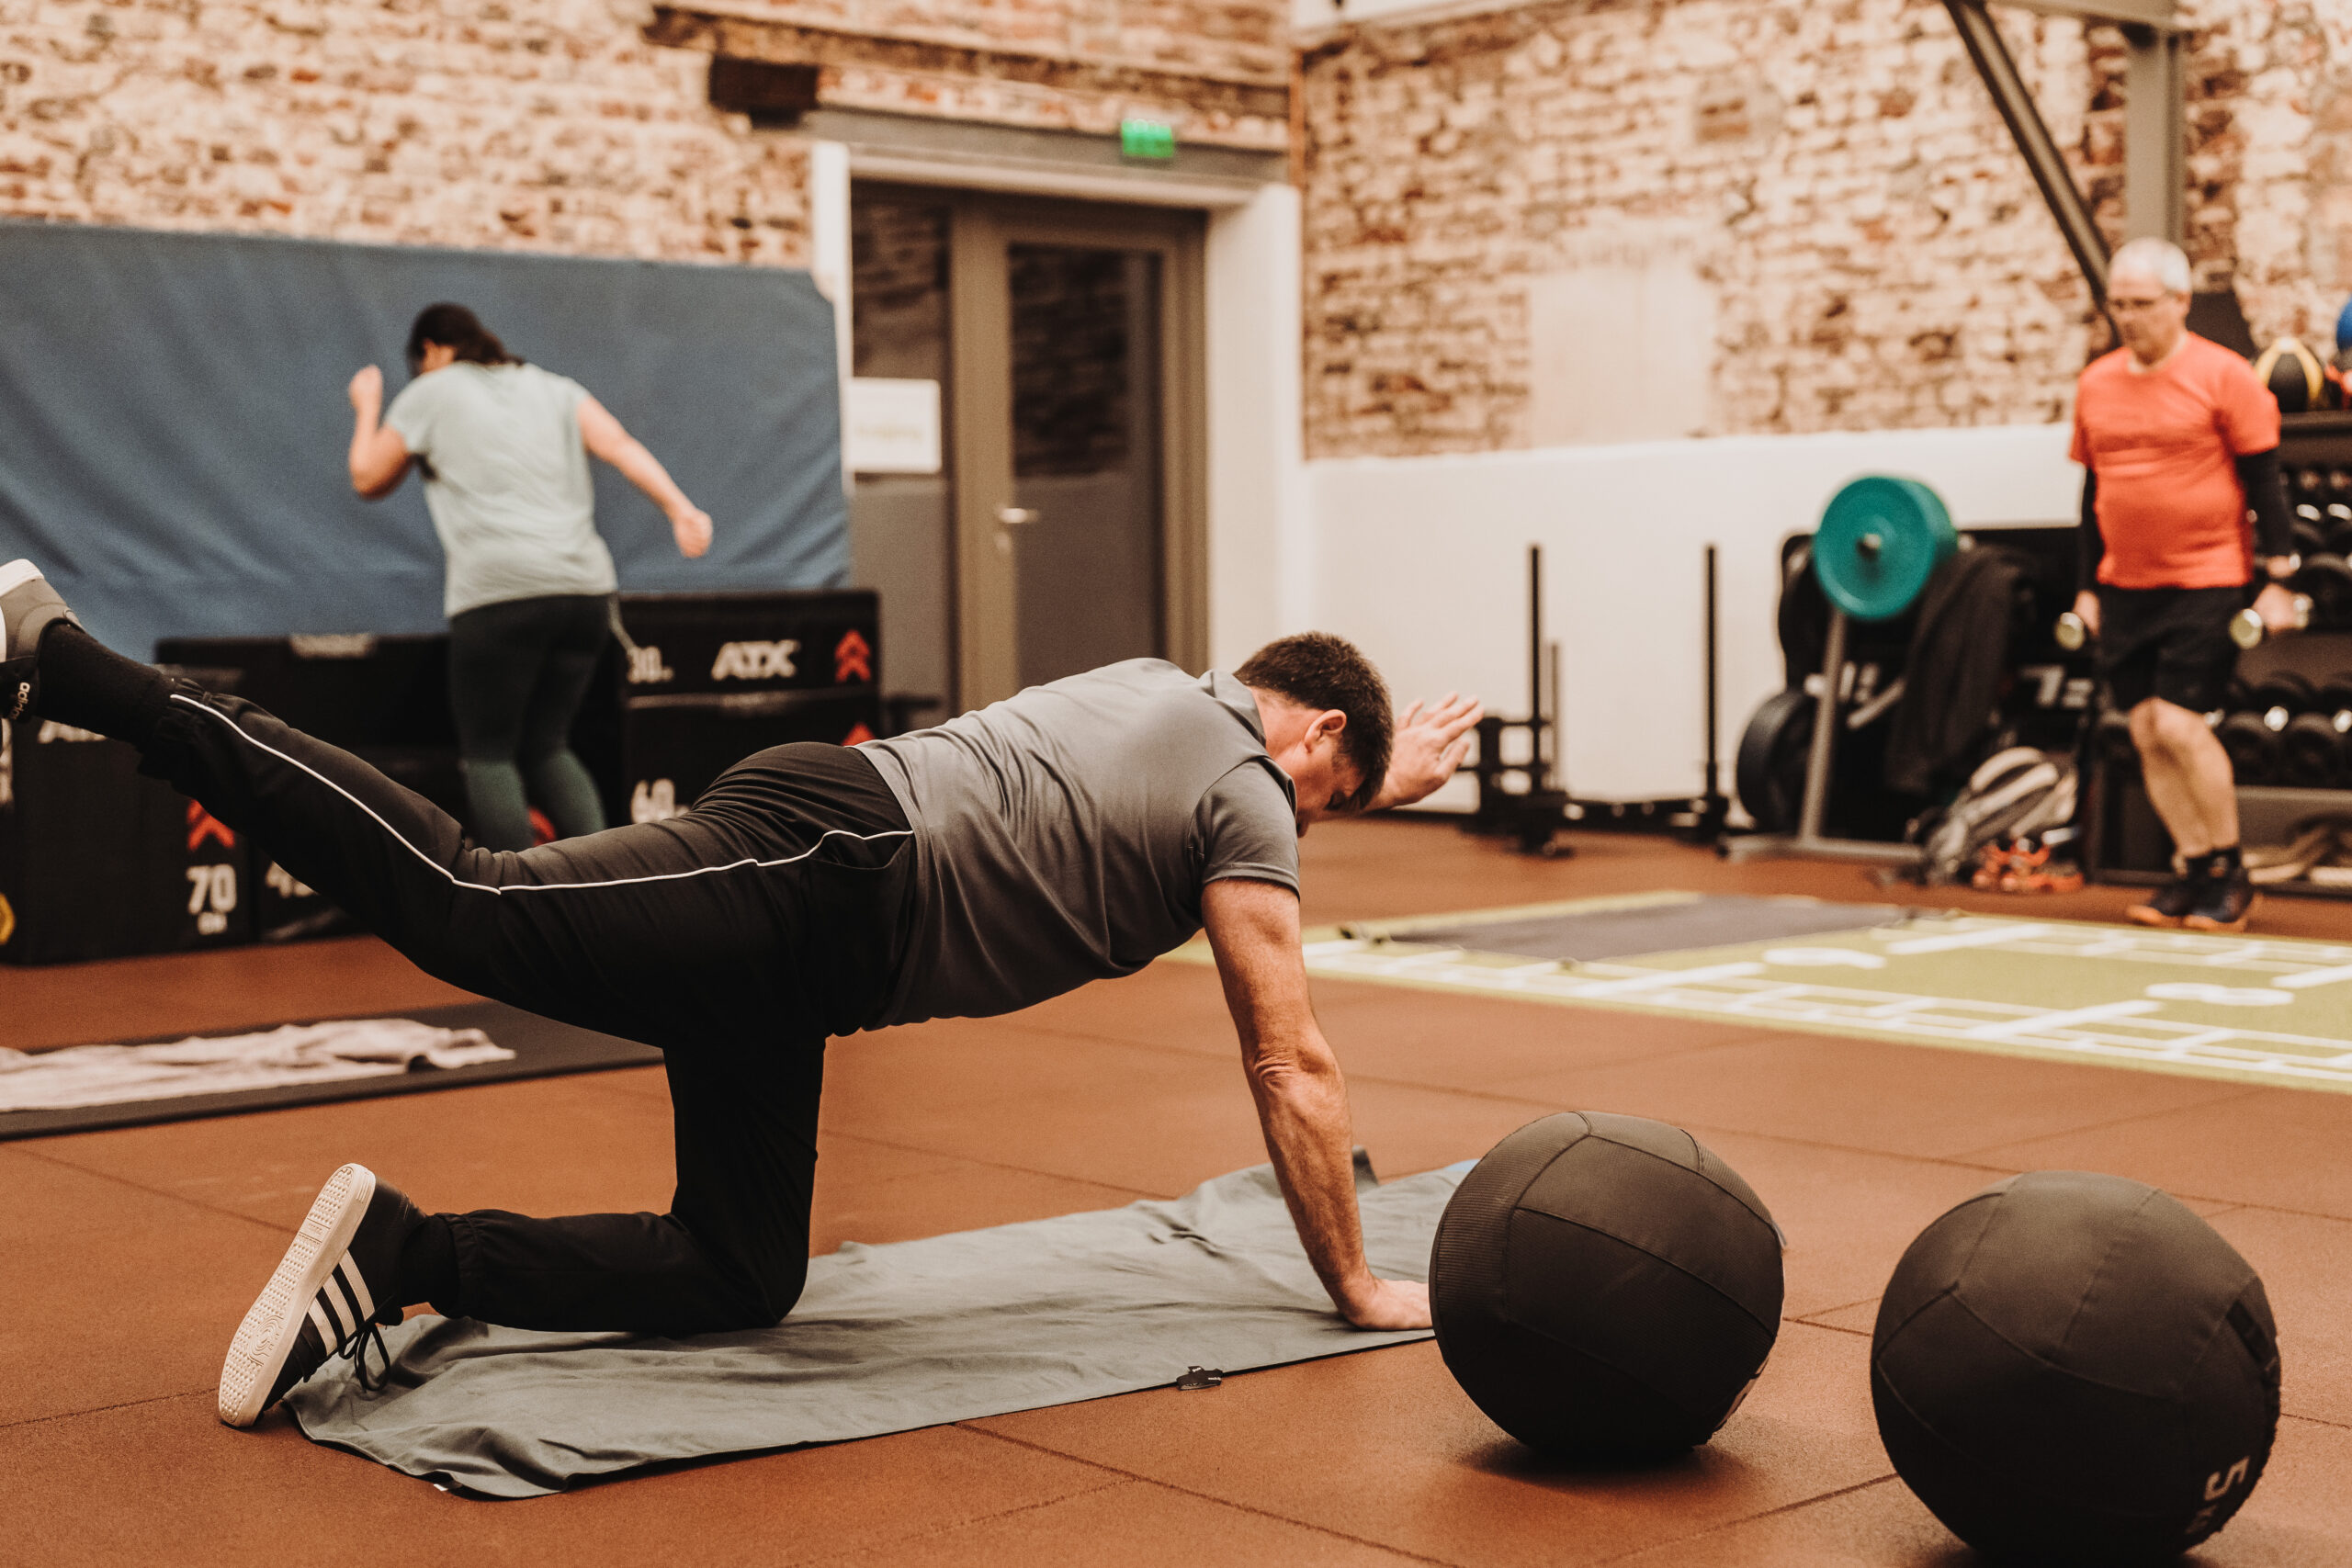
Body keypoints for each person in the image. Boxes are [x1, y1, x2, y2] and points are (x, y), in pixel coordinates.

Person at [0, 564, 1481, 1427]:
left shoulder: (1166, 685)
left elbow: (1250, 774)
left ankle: (403, 1252)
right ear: (1318, 737)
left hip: (823, 924)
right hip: (827, 864)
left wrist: (1362, 778)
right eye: (1339, 797)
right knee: (468, 900)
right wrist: (1352, 1285)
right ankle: (72, 662)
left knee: (737, 1266)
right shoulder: (1248, 787)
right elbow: (1290, 1059)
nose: (1314, 831)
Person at [350, 303, 715, 851]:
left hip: (499, 595)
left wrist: (367, 405)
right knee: (548, 745)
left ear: (431, 350)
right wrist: (681, 509)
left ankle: (516, 904)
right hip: (585, 592)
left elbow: (366, 477)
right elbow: (618, 445)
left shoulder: (431, 389)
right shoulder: (556, 388)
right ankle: (613, 886)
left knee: (488, 752)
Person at [2068, 237, 2301, 932]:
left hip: (2208, 576)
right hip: (2125, 583)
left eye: (2141, 304)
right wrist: (2087, 588)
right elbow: (2091, 495)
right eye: (2118, 305)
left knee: (2178, 722)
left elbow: (2266, 482)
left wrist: (2280, 579)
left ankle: (2231, 870)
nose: (2128, 318)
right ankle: (2191, 866)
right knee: (2142, 730)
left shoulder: (2225, 376)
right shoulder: (2096, 383)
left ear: (2180, 302)